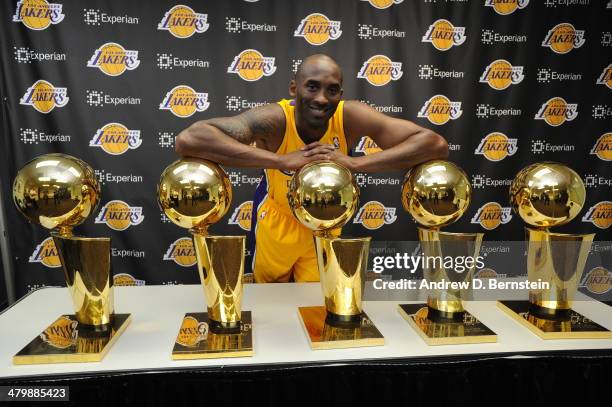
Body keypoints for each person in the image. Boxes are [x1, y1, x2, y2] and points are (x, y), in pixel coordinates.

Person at [176, 54, 448, 283]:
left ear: (340, 94)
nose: (321, 98)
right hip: (277, 221)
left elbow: (434, 144)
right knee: (272, 302)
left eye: (331, 90)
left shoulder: (350, 116)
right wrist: (282, 161)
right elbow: (190, 139)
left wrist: (356, 163)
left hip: (325, 222)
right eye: (312, 86)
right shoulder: (274, 119)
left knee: (315, 302)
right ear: (294, 89)